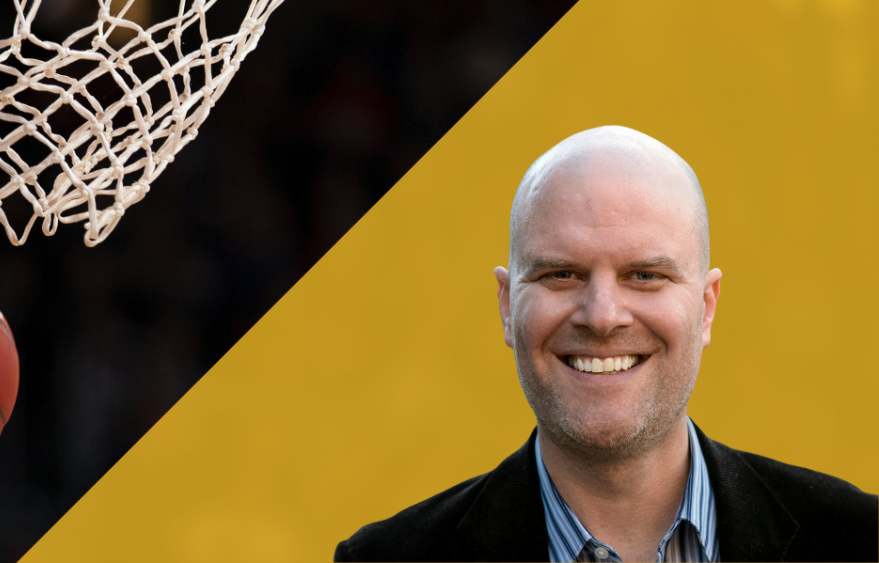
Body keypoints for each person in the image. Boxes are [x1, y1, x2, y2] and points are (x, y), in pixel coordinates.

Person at [334, 126, 877, 562]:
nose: (602, 316)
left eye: (644, 275)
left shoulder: (859, 542)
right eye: (561, 275)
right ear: (506, 304)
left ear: (706, 306)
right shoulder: (386, 557)